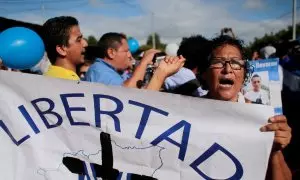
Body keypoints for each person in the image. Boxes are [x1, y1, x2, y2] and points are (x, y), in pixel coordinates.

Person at [199, 35, 292, 180]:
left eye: (236, 63)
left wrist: (274, 151)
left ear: (244, 75)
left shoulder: (262, 119)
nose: (228, 69)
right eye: (218, 62)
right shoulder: (188, 115)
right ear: (204, 73)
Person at [85, 32, 185, 90]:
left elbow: (142, 93)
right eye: (126, 51)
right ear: (111, 52)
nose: (130, 55)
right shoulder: (98, 70)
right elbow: (128, 96)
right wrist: (144, 62)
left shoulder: (116, 72)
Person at [42, 16, 88, 80]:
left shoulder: (46, 76)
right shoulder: (72, 83)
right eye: (78, 40)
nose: (85, 44)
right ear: (61, 49)